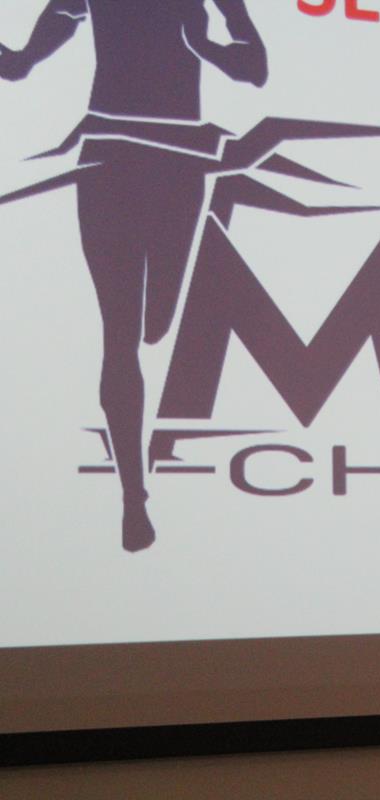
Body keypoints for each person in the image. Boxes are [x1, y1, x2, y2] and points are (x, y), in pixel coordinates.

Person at [0, 0, 267, 551]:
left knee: (156, 324)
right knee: (120, 334)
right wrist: (19, 58)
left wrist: (203, 46)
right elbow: (25, 58)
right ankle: (133, 500)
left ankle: (135, 482)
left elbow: (255, 69)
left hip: (178, 158)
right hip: (110, 153)